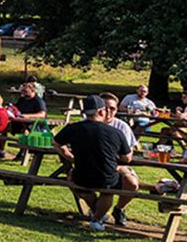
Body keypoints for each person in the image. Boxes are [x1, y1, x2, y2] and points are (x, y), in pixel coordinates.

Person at [53, 94, 137, 231]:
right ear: (101, 111)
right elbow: (127, 159)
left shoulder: (73, 127)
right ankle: (97, 218)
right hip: (107, 177)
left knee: (73, 181)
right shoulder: (115, 132)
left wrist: (69, 156)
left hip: (81, 175)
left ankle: (98, 213)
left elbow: (55, 142)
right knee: (109, 191)